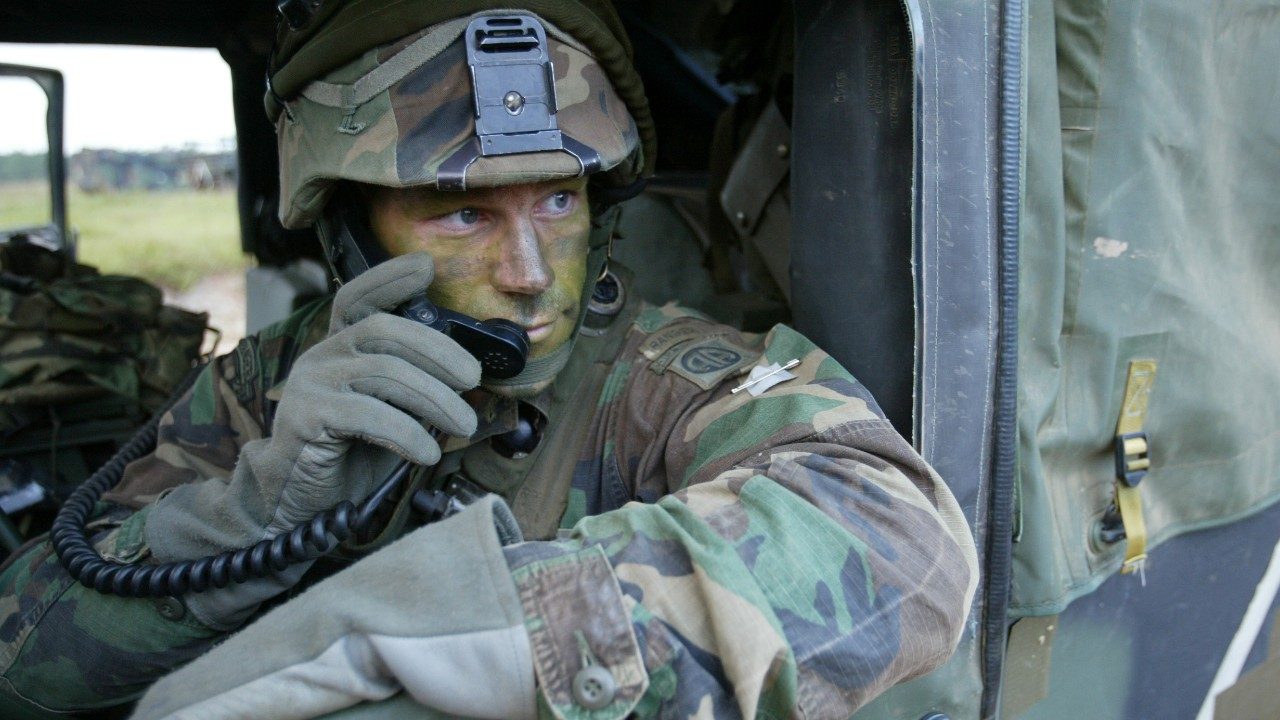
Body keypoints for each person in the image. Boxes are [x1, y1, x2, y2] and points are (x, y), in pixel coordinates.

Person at [0, 2, 977, 718]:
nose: (528, 273)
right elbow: (26, 666)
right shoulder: (273, 387)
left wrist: (496, 641)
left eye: (557, 201)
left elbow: (899, 537)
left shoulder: (665, 378)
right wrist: (248, 516)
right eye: (464, 212)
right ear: (351, 234)